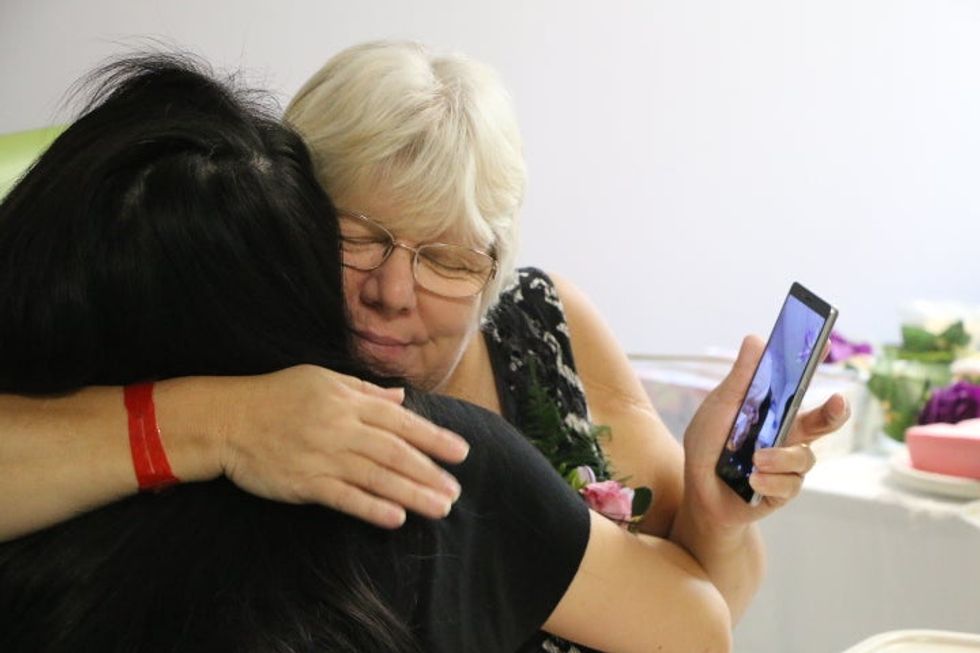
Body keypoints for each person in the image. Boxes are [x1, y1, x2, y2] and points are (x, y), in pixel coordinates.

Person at [0, 41, 848, 650]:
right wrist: (221, 418)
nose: (393, 291)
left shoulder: (540, 331)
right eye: (358, 236)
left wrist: (714, 514)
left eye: (447, 258)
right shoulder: (209, 366)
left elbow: (703, 616)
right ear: (285, 212)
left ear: (494, 269)